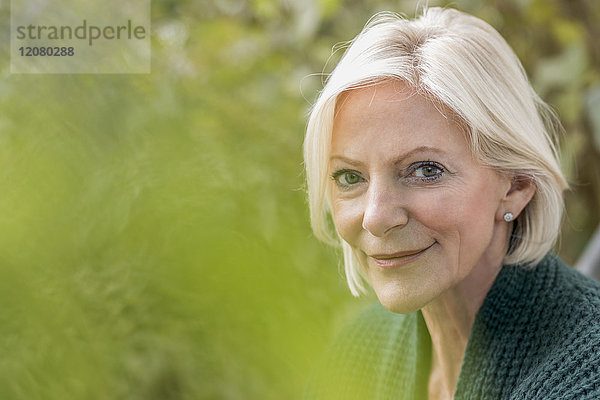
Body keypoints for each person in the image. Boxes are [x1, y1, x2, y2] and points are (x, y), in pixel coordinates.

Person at [302, 7, 600, 400]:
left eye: (425, 171)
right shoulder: (360, 348)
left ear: (516, 185)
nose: (375, 217)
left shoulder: (585, 374)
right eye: (350, 177)